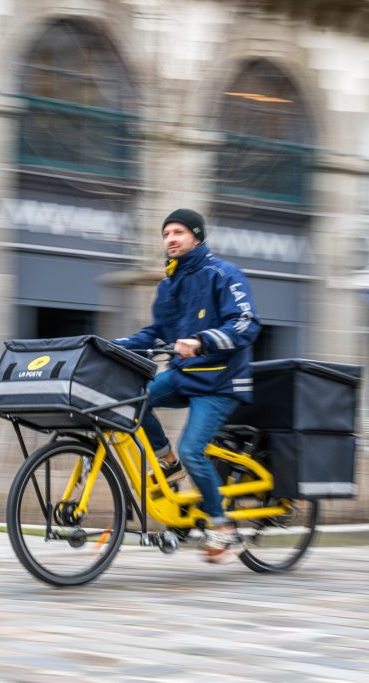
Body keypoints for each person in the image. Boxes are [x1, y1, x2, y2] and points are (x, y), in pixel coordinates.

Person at [112, 208, 260, 563]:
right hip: (184, 375)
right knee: (136, 399)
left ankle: (223, 527)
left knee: (194, 448)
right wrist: (114, 345)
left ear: (197, 235)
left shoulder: (223, 274)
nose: (171, 240)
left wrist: (202, 341)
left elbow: (246, 323)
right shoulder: (169, 282)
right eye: (166, 234)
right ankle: (168, 463)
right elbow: (156, 333)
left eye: (178, 232)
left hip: (220, 381)